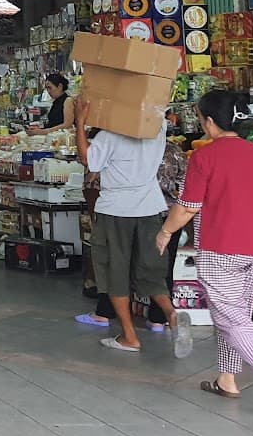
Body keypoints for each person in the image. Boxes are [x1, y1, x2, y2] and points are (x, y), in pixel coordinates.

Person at [155, 90, 253, 405]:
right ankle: (227, 379)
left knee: (232, 318)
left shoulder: (205, 157)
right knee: (237, 316)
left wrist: (166, 231)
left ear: (209, 122)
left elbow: (187, 206)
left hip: (221, 248)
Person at [72, 98, 185, 355]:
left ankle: (129, 336)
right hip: (151, 209)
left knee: (115, 272)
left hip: (116, 211)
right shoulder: (157, 131)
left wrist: (80, 122)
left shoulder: (110, 137)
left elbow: (87, 160)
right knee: (150, 270)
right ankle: (171, 315)